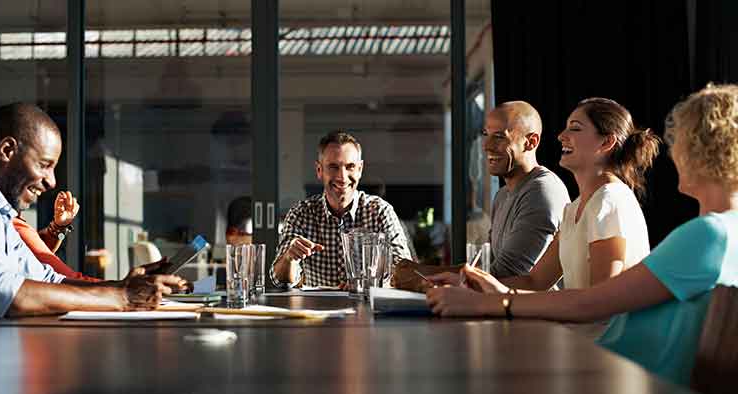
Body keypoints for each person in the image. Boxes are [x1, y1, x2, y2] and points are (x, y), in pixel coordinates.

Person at [425, 84, 738, 385]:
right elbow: (548, 286)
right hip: (611, 364)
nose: (672, 153)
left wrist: (487, 304)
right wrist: (487, 290)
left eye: (678, 142)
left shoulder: (708, 235)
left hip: (612, 369)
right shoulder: (723, 232)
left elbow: (593, 303)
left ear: (697, 150)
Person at [0, 103, 185, 322]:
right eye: (44, 165)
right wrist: (122, 297)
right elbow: (6, 294)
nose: (52, 182)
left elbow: (50, 280)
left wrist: (125, 287)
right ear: (6, 151)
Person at [431, 98, 659, 295]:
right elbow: (535, 282)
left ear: (606, 142)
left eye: (575, 128)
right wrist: (467, 285)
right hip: (577, 335)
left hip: (600, 344)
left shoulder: (609, 200)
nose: (561, 135)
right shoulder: (575, 208)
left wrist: (498, 301)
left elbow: (598, 302)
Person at [394, 101, 570, 290]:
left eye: (500, 137)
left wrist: (422, 272)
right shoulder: (502, 195)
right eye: (486, 134)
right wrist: (421, 272)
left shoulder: (541, 191)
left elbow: (509, 274)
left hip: (533, 316)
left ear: (531, 142)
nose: (487, 146)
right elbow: (485, 268)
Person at [271, 130, 412, 287]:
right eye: (333, 167)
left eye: (350, 167)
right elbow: (280, 281)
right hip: (316, 309)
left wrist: (369, 284)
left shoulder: (380, 212)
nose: (342, 177)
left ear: (360, 169)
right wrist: (289, 258)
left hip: (368, 307)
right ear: (319, 170)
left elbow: (405, 271)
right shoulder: (301, 214)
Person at [0, 133, 99, 282]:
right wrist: (122, 291)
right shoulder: (6, 221)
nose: (51, 181)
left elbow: (31, 255)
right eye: (42, 165)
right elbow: (65, 281)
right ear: (6, 154)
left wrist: (59, 228)